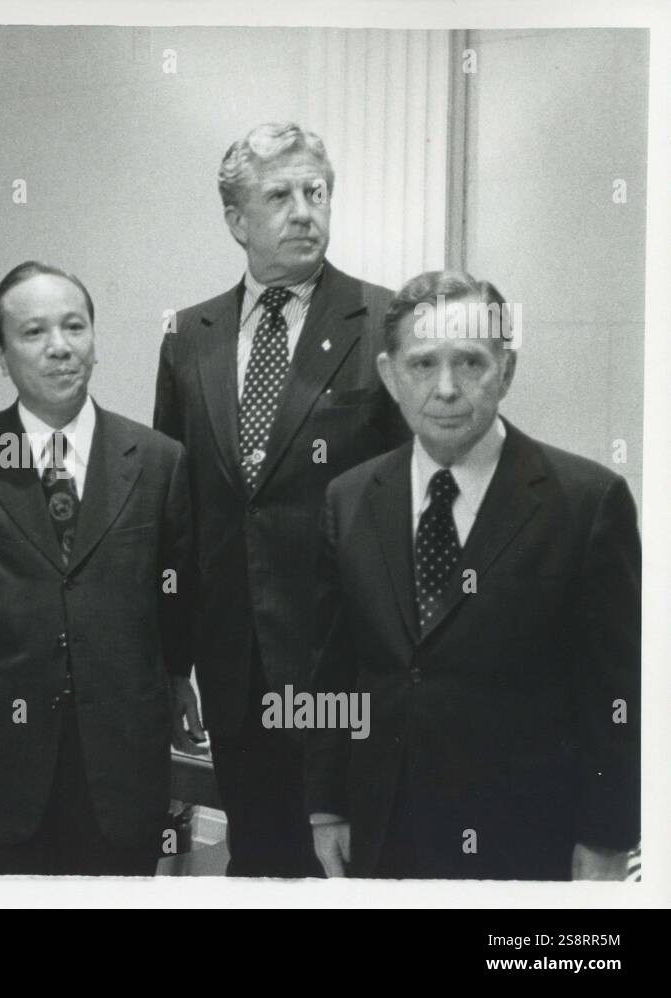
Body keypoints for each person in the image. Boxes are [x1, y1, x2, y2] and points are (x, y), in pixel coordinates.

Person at [305, 270, 640, 880]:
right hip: (385, 832)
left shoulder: (588, 502)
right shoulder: (348, 498)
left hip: (526, 839)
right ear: (389, 375)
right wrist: (326, 805)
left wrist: (608, 841)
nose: (448, 388)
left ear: (505, 372)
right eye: (423, 363)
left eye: (471, 363)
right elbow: (334, 667)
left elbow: (615, 696)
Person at [153, 121, 408, 876]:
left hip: (345, 663)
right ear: (236, 220)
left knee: (346, 864)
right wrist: (175, 662)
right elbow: (178, 507)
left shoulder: (384, 325)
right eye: (280, 196)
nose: (304, 211)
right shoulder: (187, 337)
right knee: (258, 861)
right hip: (234, 664)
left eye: (316, 192)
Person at [0, 261, 194, 875]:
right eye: (34, 332)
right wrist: (4, 656)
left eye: (74, 327)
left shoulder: (157, 460)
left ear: (94, 339)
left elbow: (175, 594)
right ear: (1, 352)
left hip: (121, 763)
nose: (60, 347)